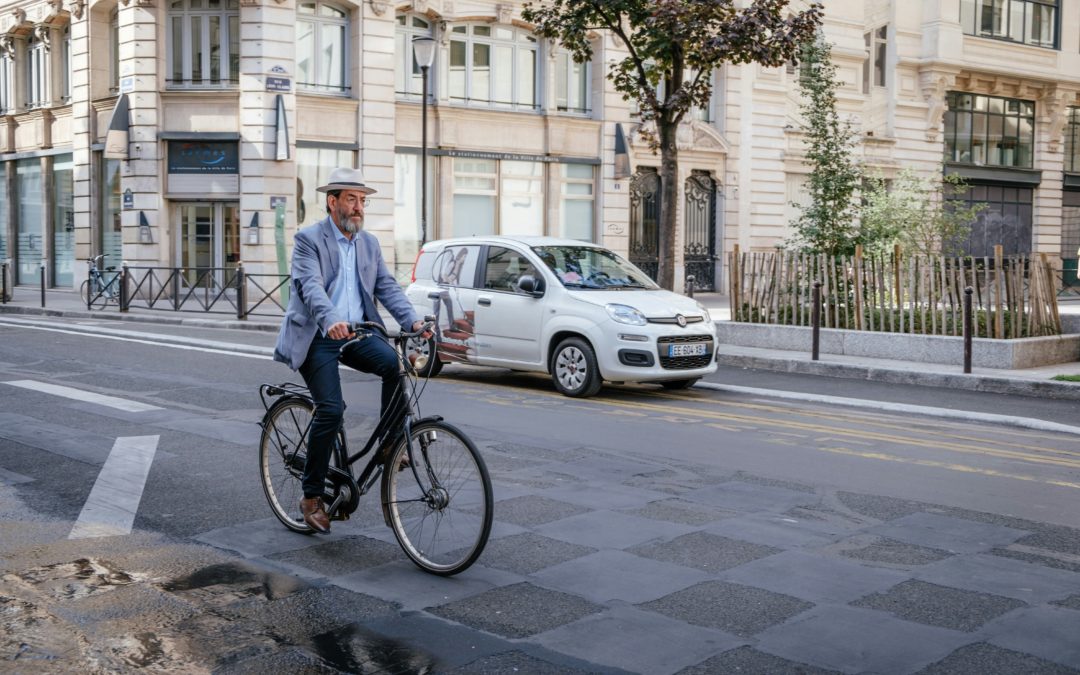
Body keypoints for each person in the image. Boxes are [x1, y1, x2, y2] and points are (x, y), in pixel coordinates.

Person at [273, 167, 427, 533]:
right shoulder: (308, 240)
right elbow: (310, 287)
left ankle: (391, 443)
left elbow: (387, 287)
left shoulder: (369, 243)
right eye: (351, 199)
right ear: (333, 202)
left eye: (362, 201)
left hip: (357, 332)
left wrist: (414, 322)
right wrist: (329, 319)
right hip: (318, 335)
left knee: (395, 365)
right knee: (331, 409)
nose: (359, 207)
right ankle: (311, 496)